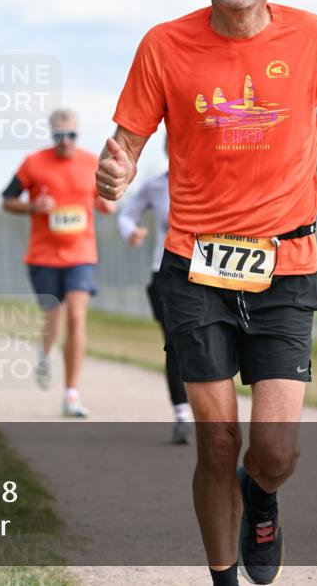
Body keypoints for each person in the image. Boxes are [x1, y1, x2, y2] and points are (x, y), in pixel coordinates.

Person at [95, 0, 317, 583]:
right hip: (194, 265)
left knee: (275, 449)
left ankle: (264, 496)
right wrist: (111, 176)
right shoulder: (164, 45)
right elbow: (124, 149)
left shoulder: (311, 37)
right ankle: (224, 576)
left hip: (284, 264)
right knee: (218, 441)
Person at [2, 108, 116, 418]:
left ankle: (71, 394)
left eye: (71, 135)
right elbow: (7, 200)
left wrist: (108, 203)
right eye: (59, 136)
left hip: (81, 254)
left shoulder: (92, 162)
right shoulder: (33, 163)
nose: (65, 141)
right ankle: (45, 352)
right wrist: (31, 206)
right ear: (52, 135)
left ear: (78, 134)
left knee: (77, 317)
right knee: (54, 320)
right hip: (43, 256)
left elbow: (107, 204)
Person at [117, 138, 192, 444]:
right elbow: (126, 214)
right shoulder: (155, 186)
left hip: (206, 271)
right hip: (164, 272)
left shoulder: (214, 180)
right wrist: (130, 231)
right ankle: (183, 416)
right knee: (175, 343)